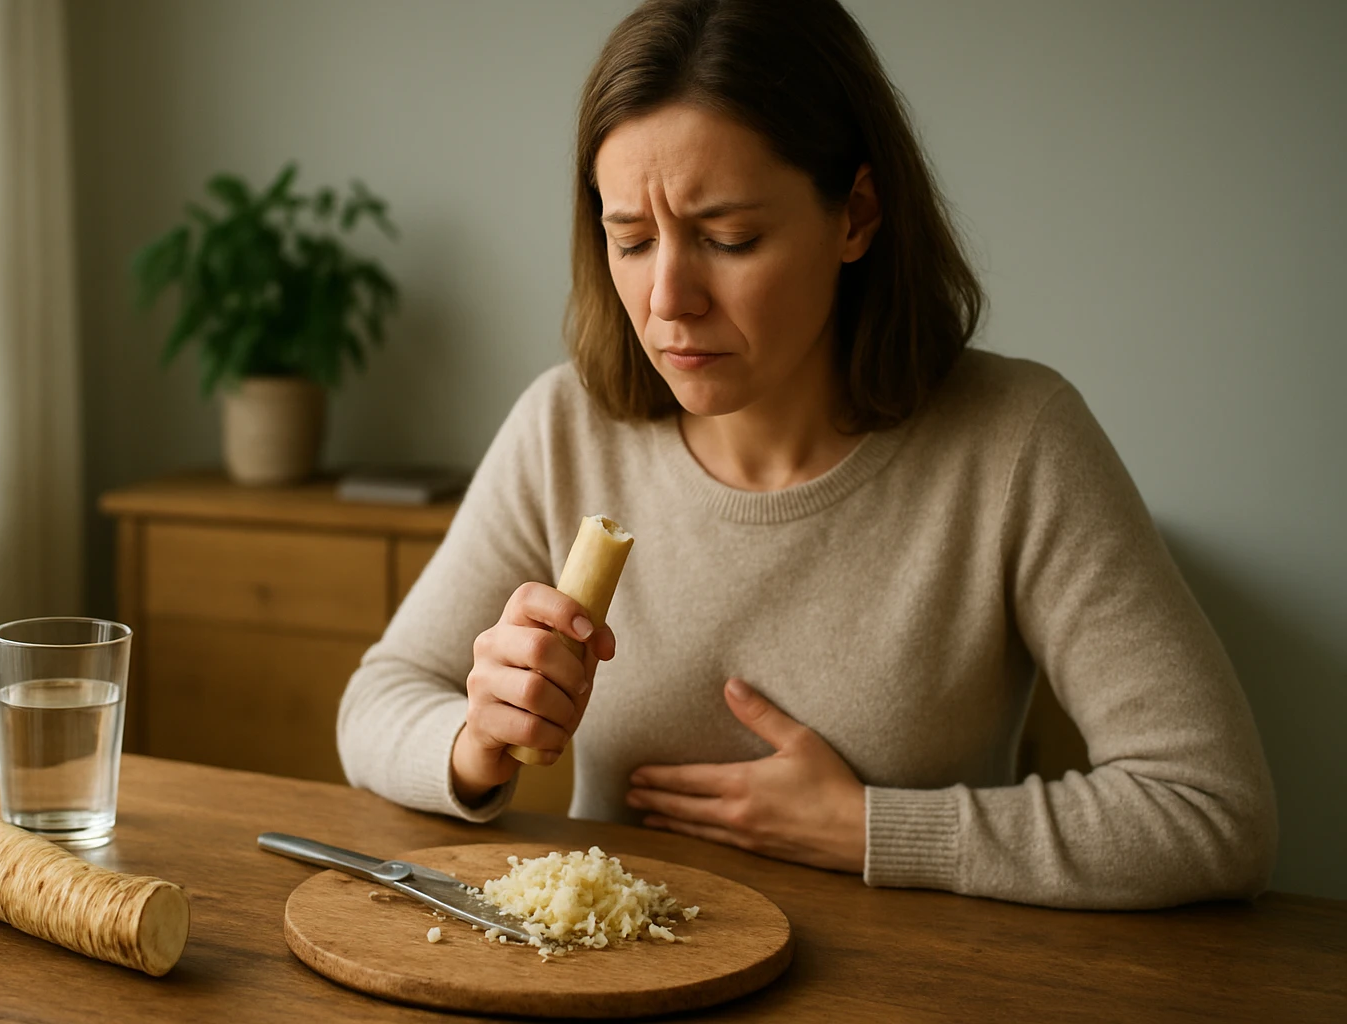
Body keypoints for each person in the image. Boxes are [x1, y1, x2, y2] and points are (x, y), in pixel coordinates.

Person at [337, 0, 1276, 909]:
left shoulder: (1017, 441)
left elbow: (1212, 809)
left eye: (728, 238)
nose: (669, 299)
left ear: (857, 215)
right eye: (630, 240)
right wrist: (476, 737)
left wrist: (874, 830)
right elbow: (375, 703)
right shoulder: (563, 428)